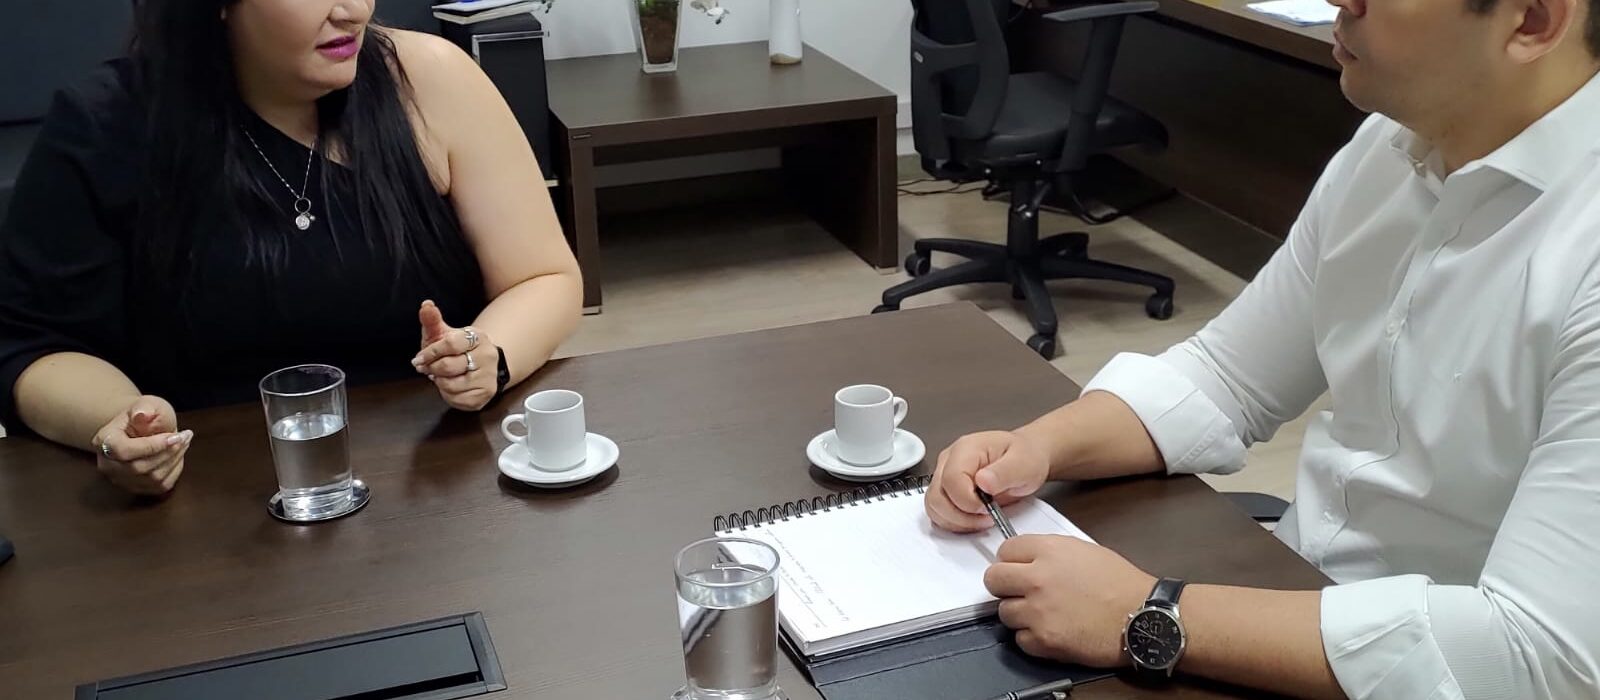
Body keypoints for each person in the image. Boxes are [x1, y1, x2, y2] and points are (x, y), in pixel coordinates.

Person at [926, 0, 1600, 694]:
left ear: (1532, 21)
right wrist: (1039, 448)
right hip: (1294, 597)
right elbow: (1230, 376)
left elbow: (1537, 654)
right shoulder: (1392, 147)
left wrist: (1146, 613)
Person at [0, 0, 583, 496]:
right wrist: (122, 423)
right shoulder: (109, 124)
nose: (352, 9)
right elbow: (30, 345)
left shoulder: (429, 80)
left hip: (436, 479)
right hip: (210, 503)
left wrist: (486, 356)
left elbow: (543, 275)